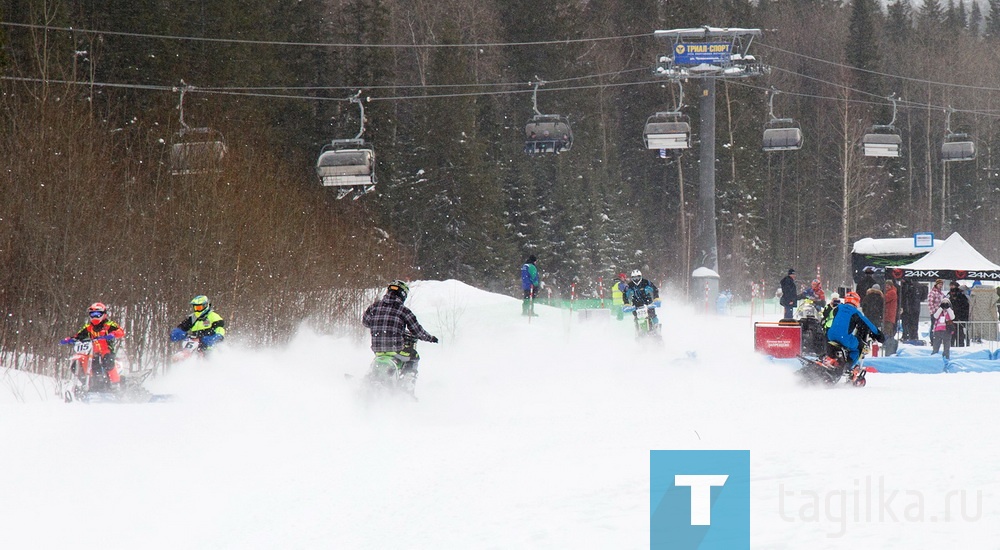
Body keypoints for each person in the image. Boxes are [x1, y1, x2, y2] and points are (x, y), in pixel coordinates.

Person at [362, 280, 439, 396]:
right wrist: (430, 338)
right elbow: (417, 331)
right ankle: (407, 389)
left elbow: (366, 322)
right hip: (396, 350)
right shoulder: (403, 311)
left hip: (378, 351)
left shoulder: (374, 307)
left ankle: (366, 382)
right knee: (414, 356)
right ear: (403, 295)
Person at [60, 302, 125, 388]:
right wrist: (70, 339)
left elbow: (121, 331)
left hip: (106, 350)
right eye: (92, 314)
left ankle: (116, 384)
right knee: (76, 365)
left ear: (103, 314)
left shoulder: (109, 325)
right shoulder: (88, 327)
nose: (95, 317)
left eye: (97, 314)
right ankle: (87, 383)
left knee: (107, 362)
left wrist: (113, 334)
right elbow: (79, 335)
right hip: (91, 352)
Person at [825, 291, 884, 368]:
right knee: (859, 348)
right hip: (844, 338)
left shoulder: (838, 308)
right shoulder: (855, 312)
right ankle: (847, 367)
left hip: (830, 335)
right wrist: (879, 335)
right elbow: (868, 324)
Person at [948, 281, 970, 347]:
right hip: (951, 318)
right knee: (951, 334)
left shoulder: (962, 296)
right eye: (950, 286)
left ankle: (960, 347)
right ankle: (950, 346)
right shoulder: (949, 296)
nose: (951, 287)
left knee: (960, 334)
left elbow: (966, 307)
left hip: (960, 319)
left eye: (953, 286)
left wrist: (964, 317)